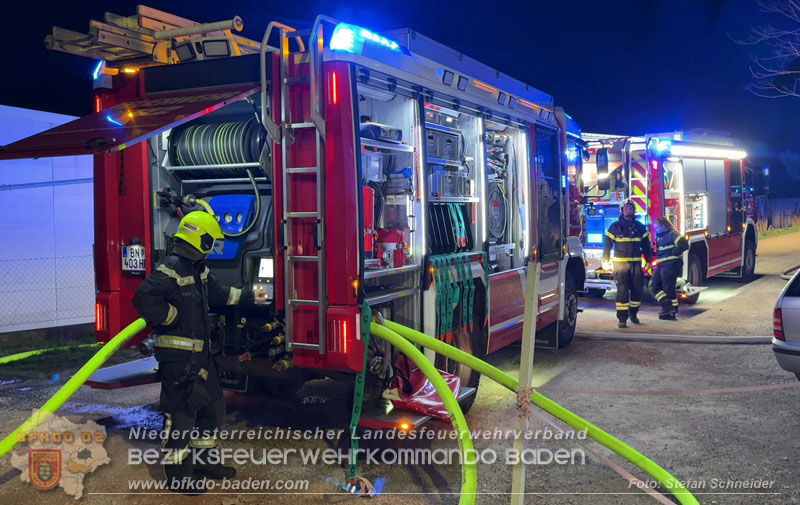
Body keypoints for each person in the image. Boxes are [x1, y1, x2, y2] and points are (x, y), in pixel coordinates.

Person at [133, 211, 259, 494]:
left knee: (213, 409)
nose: (212, 249)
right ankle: (178, 477)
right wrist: (169, 316)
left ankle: (203, 464)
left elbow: (224, 294)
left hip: (201, 358)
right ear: (199, 239)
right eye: (210, 242)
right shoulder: (171, 270)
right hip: (178, 361)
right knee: (180, 417)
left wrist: (254, 296)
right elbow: (142, 297)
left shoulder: (199, 271)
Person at [602, 199, 653, 328]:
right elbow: (607, 246)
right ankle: (622, 319)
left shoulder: (640, 227)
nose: (628, 210)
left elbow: (646, 246)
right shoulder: (614, 227)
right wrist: (605, 261)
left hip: (636, 264)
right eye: (626, 208)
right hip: (620, 265)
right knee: (622, 291)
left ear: (634, 210)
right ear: (622, 211)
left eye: (630, 208)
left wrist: (648, 260)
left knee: (637, 290)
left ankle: (633, 314)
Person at [650, 216, 689, 320]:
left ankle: (670, 310)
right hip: (662, 264)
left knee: (668, 288)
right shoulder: (659, 236)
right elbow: (657, 250)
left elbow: (684, 245)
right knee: (653, 286)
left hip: (671, 264)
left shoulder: (673, 235)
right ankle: (668, 307)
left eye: (657, 227)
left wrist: (675, 252)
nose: (656, 230)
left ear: (663, 226)